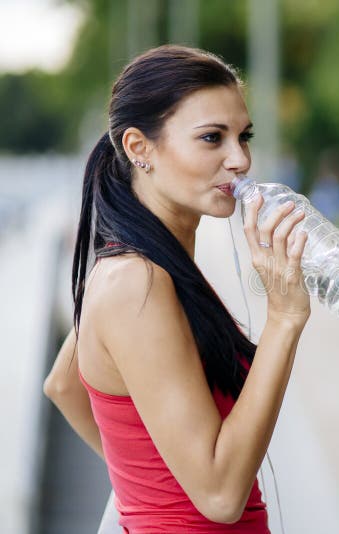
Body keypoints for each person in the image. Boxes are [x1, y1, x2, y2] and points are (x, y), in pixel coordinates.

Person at [43, 45, 310, 532]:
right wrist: (284, 319)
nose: (240, 159)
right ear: (139, 149)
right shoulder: (135, 282)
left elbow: (63, 384)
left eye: (242, 136)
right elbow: (221, 495)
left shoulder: (155, 263)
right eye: (212, 138)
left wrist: (153, 485)